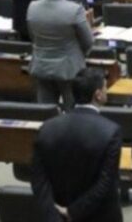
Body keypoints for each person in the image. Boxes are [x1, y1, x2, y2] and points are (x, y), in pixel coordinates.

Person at [30, 68, 122, 222]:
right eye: (105, 87)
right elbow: (105, 184)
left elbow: (38, 179)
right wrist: (73, 212)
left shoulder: (47, 128)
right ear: (98, 94)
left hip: (57, 213)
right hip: (99, 216)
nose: (107, 91)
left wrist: (53, 215)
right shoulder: (111, 131)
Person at [27, 0, 92, 109]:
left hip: (41, 65)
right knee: (72, 111)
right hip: (69, 68)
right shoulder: (74, 10)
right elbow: (88, 42)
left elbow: (33, 37)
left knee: (45, 112)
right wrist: (80, 54)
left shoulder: (32, 6)